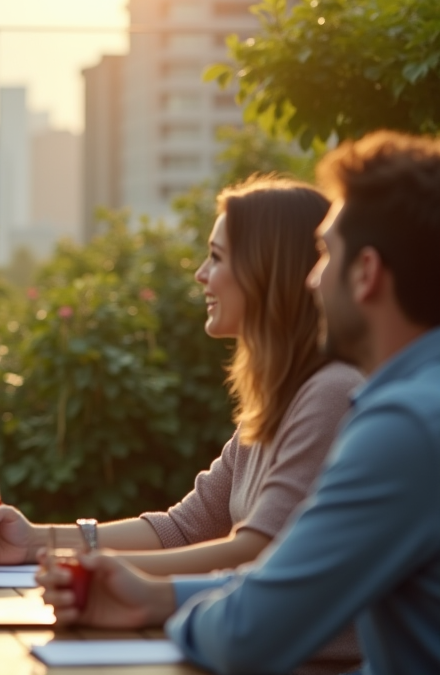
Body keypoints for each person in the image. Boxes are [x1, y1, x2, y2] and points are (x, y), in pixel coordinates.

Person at [37, 132, 440, 675]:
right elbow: (241, 566)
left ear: (366, 273)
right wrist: (151, 594)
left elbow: (250, 629)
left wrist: (158, 600)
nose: (313, 279)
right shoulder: (404, 403)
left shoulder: (404, 425)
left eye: (326, 255)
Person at [0, 178, 364, 670]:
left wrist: (118, 580)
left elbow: (256, 552)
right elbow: (184, 528)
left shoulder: (330, 392)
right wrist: (37, 540)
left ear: (265, 271)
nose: (200, 274)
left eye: (216, 257)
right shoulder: (279, 399)